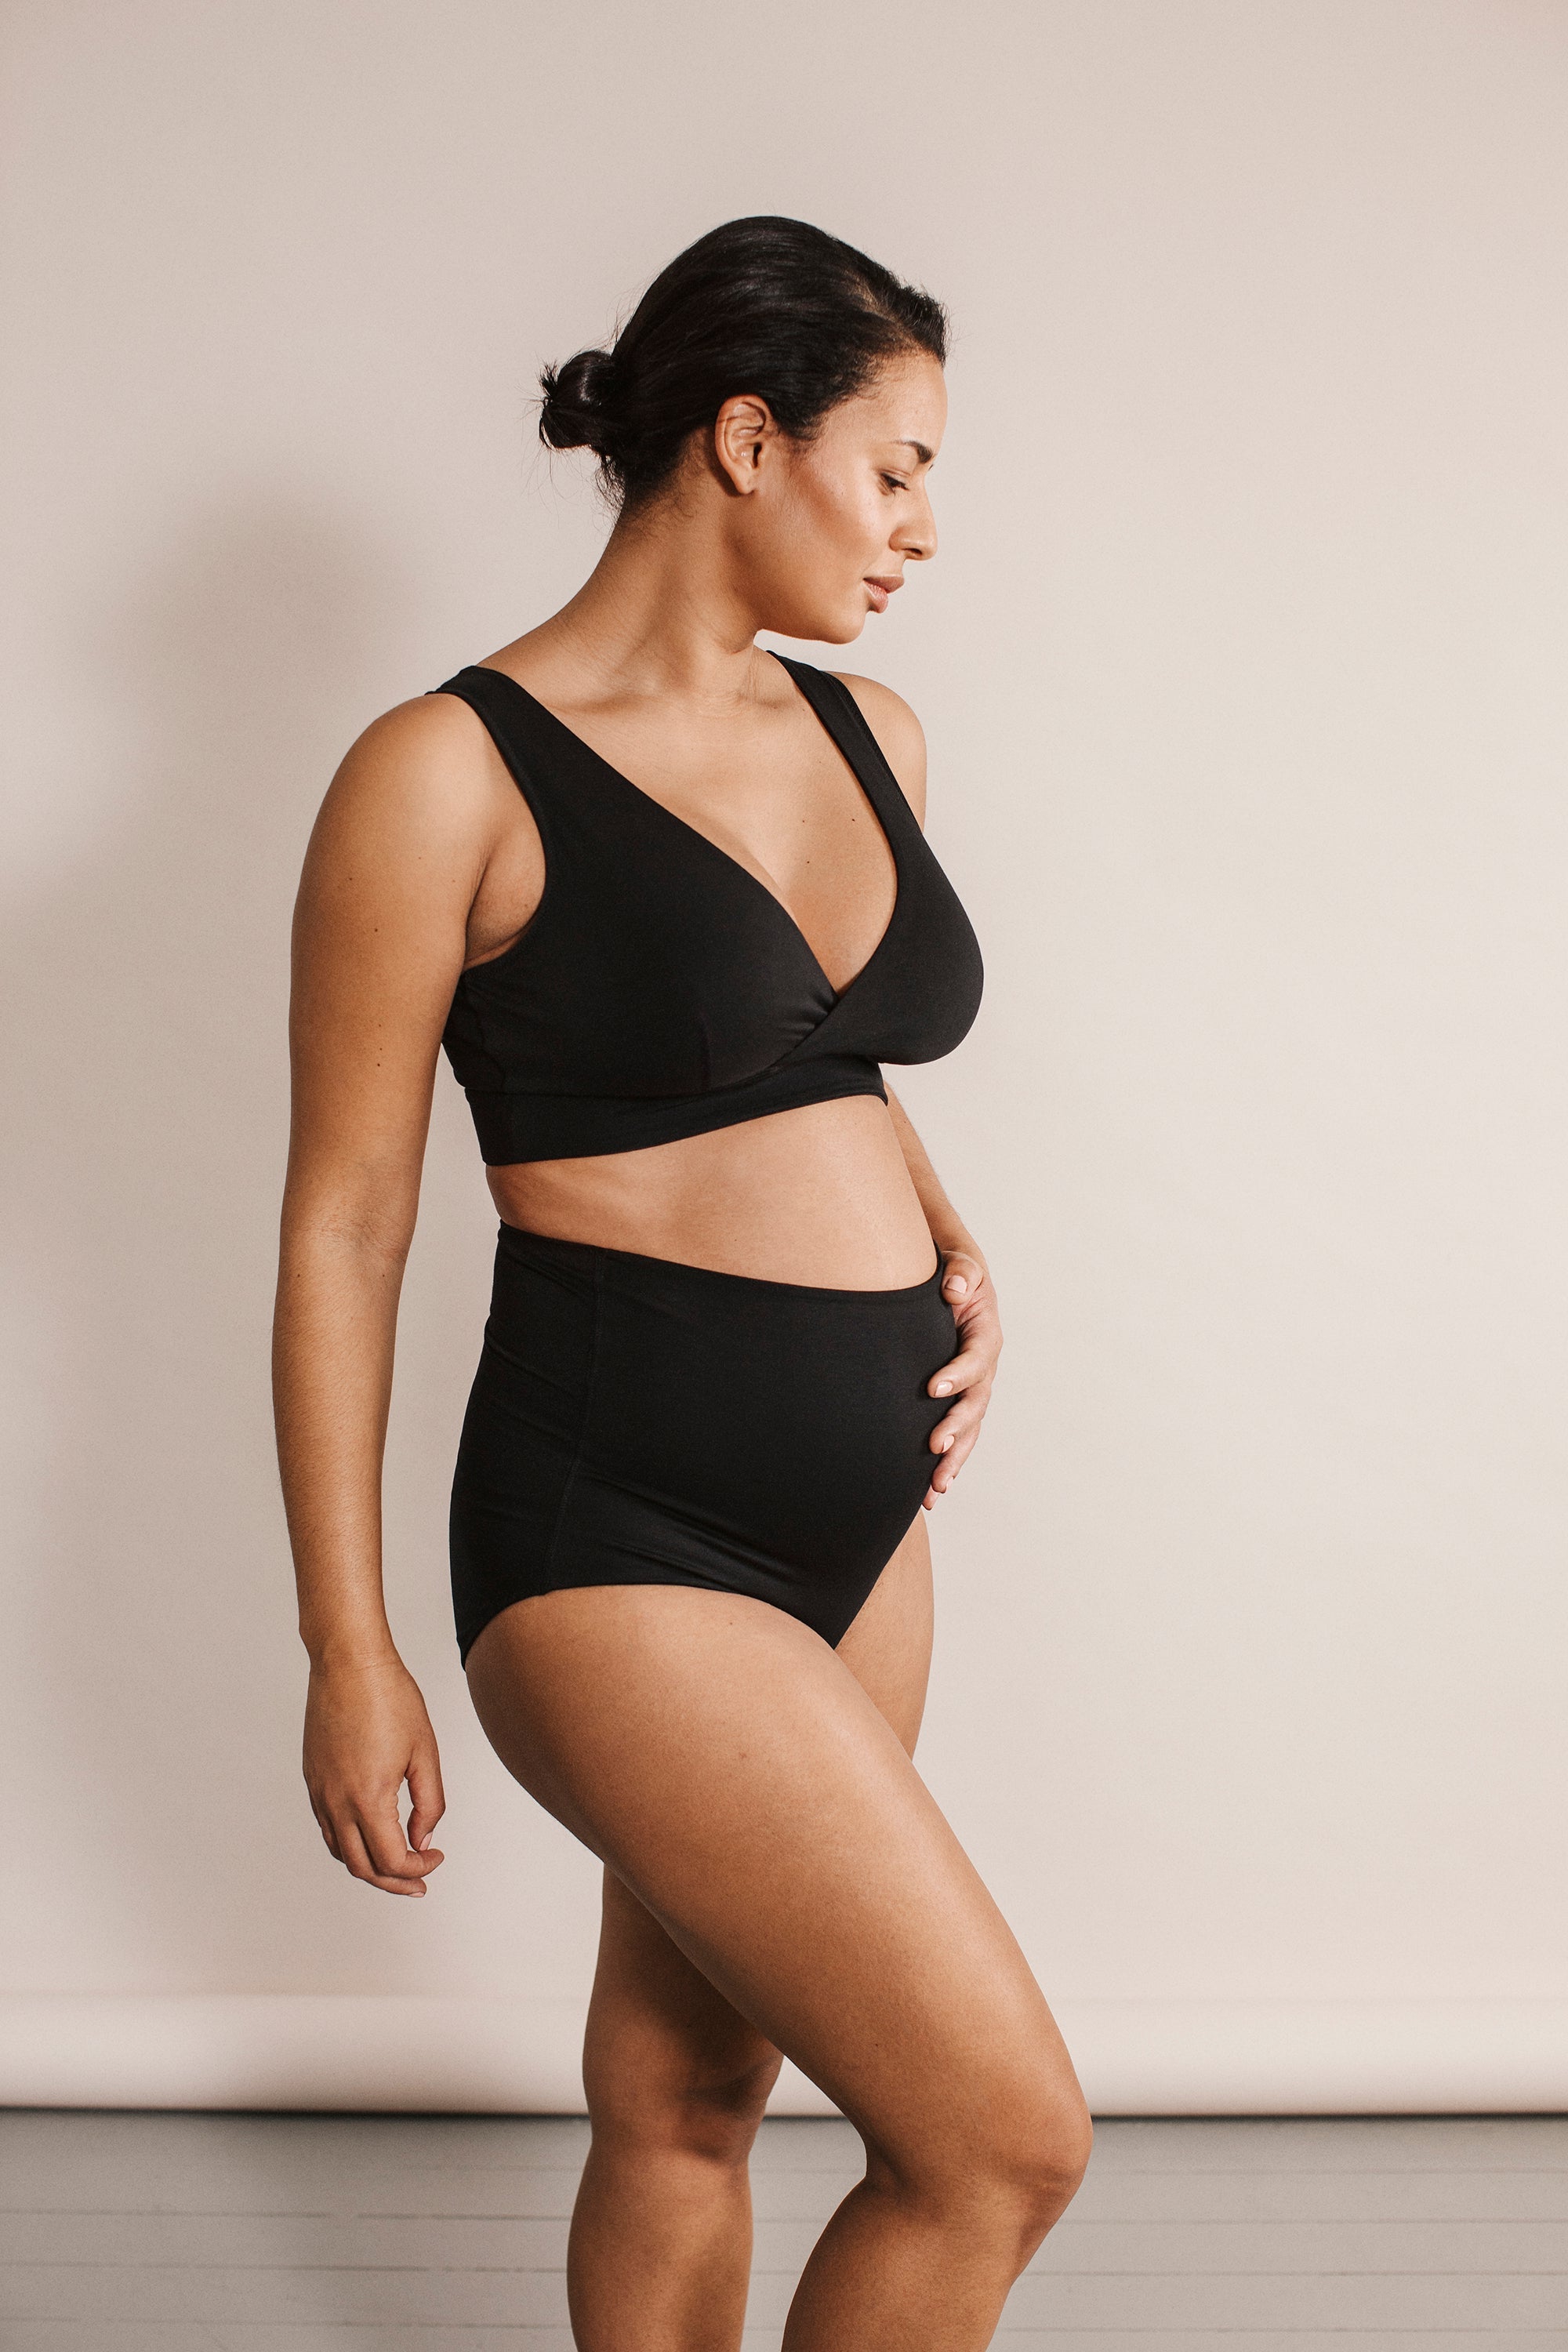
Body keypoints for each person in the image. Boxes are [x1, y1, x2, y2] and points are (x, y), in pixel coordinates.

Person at [274, 214, 1090, 2351]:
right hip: (619, 1527)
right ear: (745, 438)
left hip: (862, 1529)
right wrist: (349, 1646)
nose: (922, 527)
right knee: (1001, 2143)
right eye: (893, 468)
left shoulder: (872, 736)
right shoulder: (443, 772)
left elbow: (814, 1054)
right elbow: (345, 1224)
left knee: (685, 2102)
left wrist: (942, 1229)